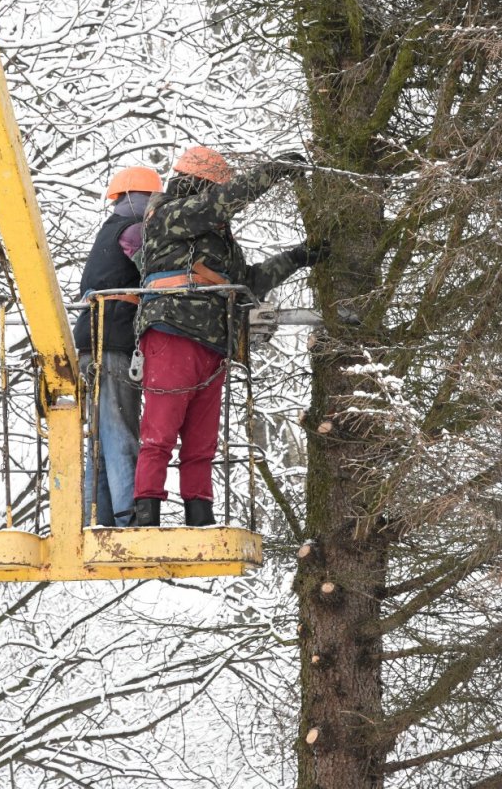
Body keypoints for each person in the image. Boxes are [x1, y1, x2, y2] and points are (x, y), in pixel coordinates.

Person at [132, 146, 329, 527]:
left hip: (213, 342)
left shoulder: (216, 241)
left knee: (202, 441)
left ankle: (199, 514)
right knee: (160, 431)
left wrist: (298, 257)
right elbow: (218, 204)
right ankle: (146, 512)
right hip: (172, 329)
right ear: (198, 184)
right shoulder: (169, 215)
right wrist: (271, 172)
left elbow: (248, 282)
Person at [73, 165, 163, 526]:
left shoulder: (110, 231)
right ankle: (129, 520)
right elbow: (158, 269)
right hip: (112, 339)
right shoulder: (134, 232)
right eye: (153, 198)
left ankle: (97, 518)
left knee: (101, 435)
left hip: (92, 339)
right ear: (139, 199)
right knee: (121, 429)